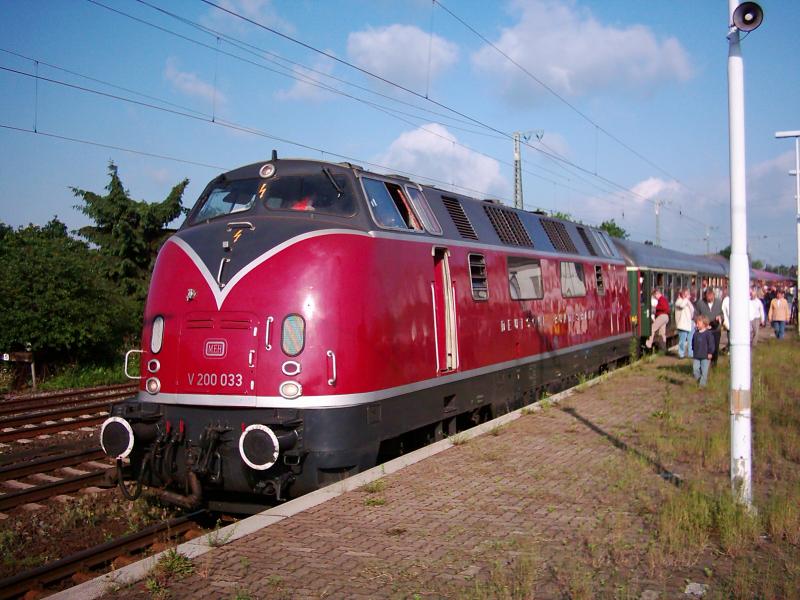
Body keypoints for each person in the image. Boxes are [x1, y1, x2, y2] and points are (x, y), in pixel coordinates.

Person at [695, 288, 723, 364]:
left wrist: (720, 317)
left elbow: (722, 314)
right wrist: (701, 324)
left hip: (716, 329)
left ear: (714, 295)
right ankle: (704, 364)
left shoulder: (719, 302)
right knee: (705, 347)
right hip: (704, 330)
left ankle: (714, 363)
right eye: (708, 297)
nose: (710, 299)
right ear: (705, 296)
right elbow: (696, 315)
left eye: (711, 297)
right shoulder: (700, 303)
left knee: (715, 346)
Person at [692, 315, 715, 388]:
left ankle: (702, 386)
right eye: (696, 323)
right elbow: (693, 343)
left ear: (704, 324)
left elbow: (711, 344)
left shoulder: (708, 334)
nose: (697, 325)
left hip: (705, 356)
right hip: (697, 355)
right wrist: (693, 350)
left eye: (698, 323)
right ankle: (699, 380)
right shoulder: (696, 333)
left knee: (704, 371)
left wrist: (710, 352)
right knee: (695, 369)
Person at [674, 288, 694, 358]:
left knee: (690, 340)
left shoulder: (688, 301)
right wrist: (686, 299)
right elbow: (682, 306)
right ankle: (681, 354)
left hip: (690, 323)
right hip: (682, 324)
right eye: (687, 294)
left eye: (688, 294)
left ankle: (690, 353)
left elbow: (692, 310)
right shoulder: (678, 301)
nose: (689, 296)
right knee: (682, 341)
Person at [720, 289, 730, 353]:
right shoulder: (726, 300)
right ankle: (729, 349)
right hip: (728, 321)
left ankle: (728, 348)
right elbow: (723, 310)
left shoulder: (726, 300)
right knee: (729, 336)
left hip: (730, 322)